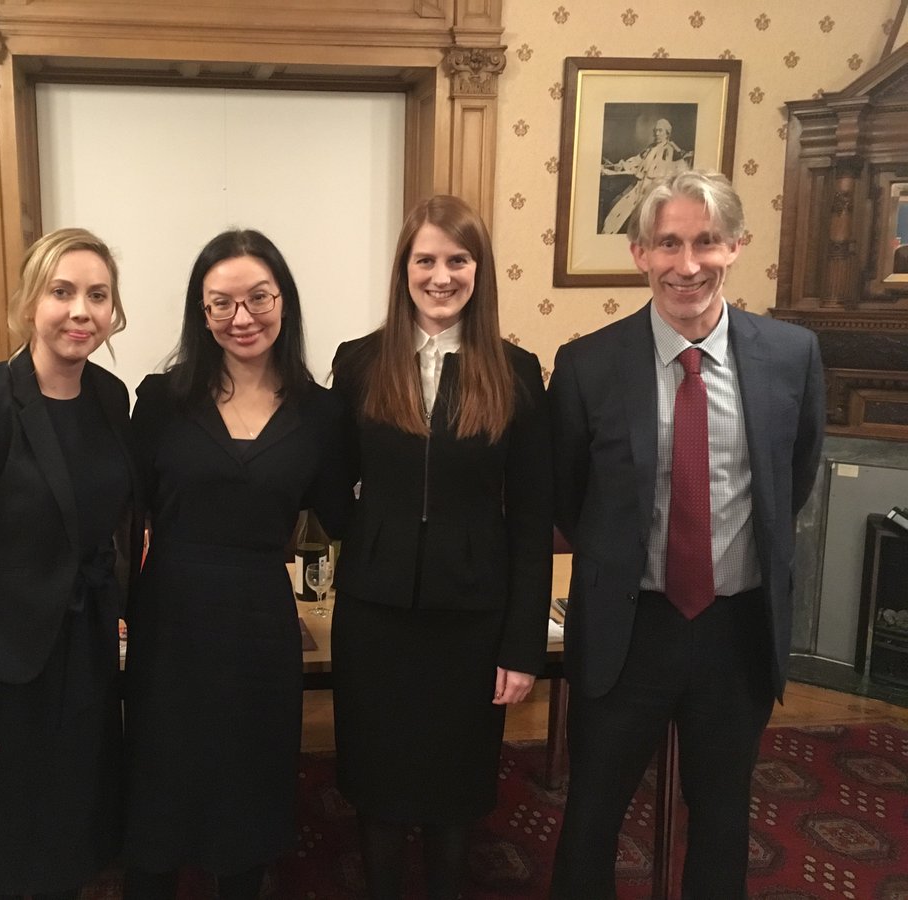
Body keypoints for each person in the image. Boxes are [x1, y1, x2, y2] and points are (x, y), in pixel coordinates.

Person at [548, 171, 825, 898]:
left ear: (737, 246)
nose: (688, 264)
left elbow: (789, 482)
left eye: (706, 242)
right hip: (626, 630)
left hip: (734, 631)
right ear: (639, 253)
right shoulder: (586, 366)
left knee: (724, 819)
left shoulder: (793, 357)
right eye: (668, 243)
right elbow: (571, 499)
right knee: (592, 816)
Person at [330, 194, 553, 900]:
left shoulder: (516, 372)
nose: (441, 275)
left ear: (478, 271)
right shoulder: (361, 361)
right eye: (425, 260)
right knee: (378, 780)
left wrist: (521, 647)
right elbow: (330, 484)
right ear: (404, 270)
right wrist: (373, 537)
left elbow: (531, 517)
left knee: (456, 784)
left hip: (472, 617)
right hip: (375, 614)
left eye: (457, 259)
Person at [122, 229, 351, 900]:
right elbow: (119, 510)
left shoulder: (321, 411)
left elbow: (345, 519)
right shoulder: (161, 400)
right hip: (170, 615)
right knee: (161, 776)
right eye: (220, 303)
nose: (241, 317)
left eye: (258, 298)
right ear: (201, 311)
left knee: (250, 779)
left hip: (259, 619)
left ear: (284, 302)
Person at [0, 228, 142, 898]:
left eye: (97, 296)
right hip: (7, 671)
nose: (81, 311)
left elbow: (111, 523)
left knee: (74, 833)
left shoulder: (111, 398)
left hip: (88, 657)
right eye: (63, 292)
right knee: (9, 852)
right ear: (28, 303)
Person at [600, 118, 692, 235]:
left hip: (654, 190)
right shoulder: (650, 148)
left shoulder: (671, 150)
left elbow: (680, 168)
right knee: (616, 210)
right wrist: (619, 165)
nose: (657, 134)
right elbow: (637, 160)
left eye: (660, 131)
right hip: (639, 187)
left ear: (667, 133)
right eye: (655, 131)